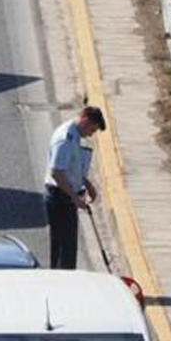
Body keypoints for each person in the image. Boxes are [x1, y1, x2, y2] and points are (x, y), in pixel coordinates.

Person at [42, 105, 104, 270]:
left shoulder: (74, 135)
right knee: (64, 249)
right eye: (92, 129)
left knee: (68, 247)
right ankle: (63, 281)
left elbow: (70, 167)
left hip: (65, 195)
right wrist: (74, 197)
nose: (91, 134)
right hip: (60, 197)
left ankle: (65, 277)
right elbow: (57, 172)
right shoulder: (66, 138)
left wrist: (86, 183)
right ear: (85, 120)